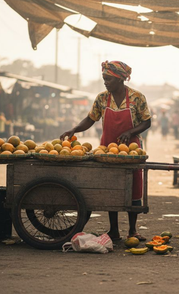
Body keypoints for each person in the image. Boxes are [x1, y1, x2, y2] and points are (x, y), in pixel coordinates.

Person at [60, 60, 151, 241]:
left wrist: (130, 132)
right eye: (104, 78)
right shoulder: (102, 98)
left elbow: (146, 121)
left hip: (131, 150)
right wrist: (74, 130)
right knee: (111, 187)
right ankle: (114, 230)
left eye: (108, 79)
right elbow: (90, 119)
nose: (105, 82)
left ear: (120, 79)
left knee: (134, 188)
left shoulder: (136, 97)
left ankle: (132, 230)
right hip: (107, 148)